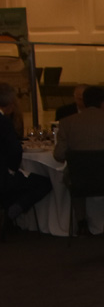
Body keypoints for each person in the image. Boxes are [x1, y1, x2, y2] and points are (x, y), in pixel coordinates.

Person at [53, 85, 104, 235]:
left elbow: (59, 155)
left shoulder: (66, 122)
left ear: (84, 102)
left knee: (70, 176)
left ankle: (81, 222)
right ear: (103, 103)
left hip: (79, 176)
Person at [1, 82, 52, 223]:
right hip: (3, 178)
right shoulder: (4, 122)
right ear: (10, 104)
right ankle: (10, 214)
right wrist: (12, 170)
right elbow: (15, 150)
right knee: (44, 183)